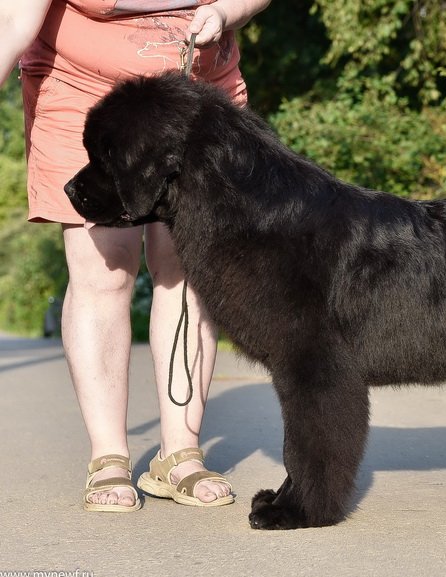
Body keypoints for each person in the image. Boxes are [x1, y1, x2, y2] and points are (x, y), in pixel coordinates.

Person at [0, 0, 271, 511]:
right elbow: (13, 19)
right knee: (105, 273)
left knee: (188, 272)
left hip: (196, 89)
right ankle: (109, 457)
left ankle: (180, 455)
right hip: (84, 91)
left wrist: (229, 11)